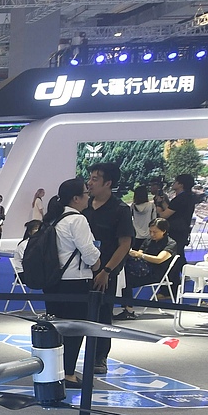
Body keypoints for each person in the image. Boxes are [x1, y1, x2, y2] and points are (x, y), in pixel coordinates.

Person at [39, 180, 102, 386]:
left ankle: (55, 371)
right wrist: (97, 263)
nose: (88, 196)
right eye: (85, 193)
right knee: (74, 330)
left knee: (56, 328)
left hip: (52, 281)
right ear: (76, 198)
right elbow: (89, 251)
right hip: (74, 281)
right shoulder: (77, 219)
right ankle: (68, 373)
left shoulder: (53, 218)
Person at [81, 162, 134, 363]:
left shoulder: (119, 209)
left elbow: (124, 244)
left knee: (102, 316)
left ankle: (100, 357)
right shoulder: (84, 206)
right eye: (90, 178)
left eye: (95, 179)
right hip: (79, 271)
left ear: (108, 183)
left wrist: (107, 270)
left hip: (104, 273)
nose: (90, 183)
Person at [163, 173, 204, 252]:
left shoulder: (180, 199)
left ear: (181, 184)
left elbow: (164, 215)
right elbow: (173, 209)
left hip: (175, 230)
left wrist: (157, 208)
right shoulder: (189, 197)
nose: (173, 183)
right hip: (183, 229)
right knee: (179, 252)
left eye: (175, 182)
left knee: (174, 252)